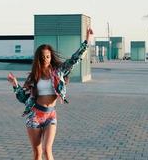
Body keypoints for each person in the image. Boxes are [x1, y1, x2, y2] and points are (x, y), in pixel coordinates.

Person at [7, 28, 93, 160]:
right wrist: (15, 85)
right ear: (38, 59)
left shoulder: (58, 72)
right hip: (34, 116)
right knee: (37, 153)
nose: (45, 59)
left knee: (47, 150)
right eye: (42, 57)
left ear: (51, 57)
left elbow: (75, 59)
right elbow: (24, 99)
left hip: (50, 115)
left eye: (48, 56)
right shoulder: (34, 77)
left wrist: (87, 40)